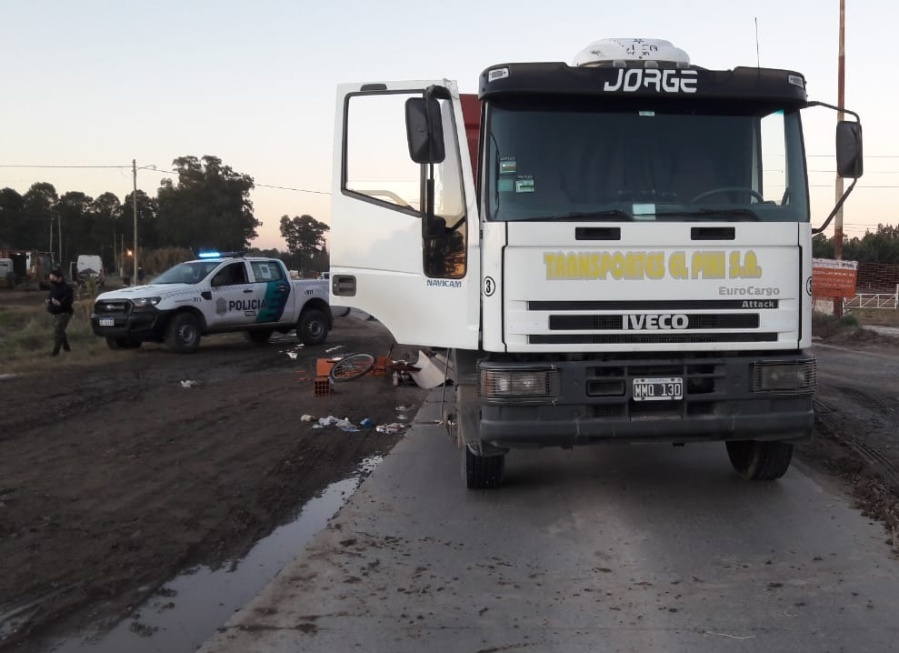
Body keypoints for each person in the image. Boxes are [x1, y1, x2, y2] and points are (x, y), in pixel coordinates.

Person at [46, 268, 74, 356]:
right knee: (60, 330)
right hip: (55, 312)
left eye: (53, 278)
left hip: (64, 312)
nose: (52, 280)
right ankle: (66, 347)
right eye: (51, 278)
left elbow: (69, 301)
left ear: (59, 278)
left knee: (58, 331)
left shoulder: (67, 288)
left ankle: (55, 351)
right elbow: (50, 297)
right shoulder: (53, 288)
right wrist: (49, 301)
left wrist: (60, 303)